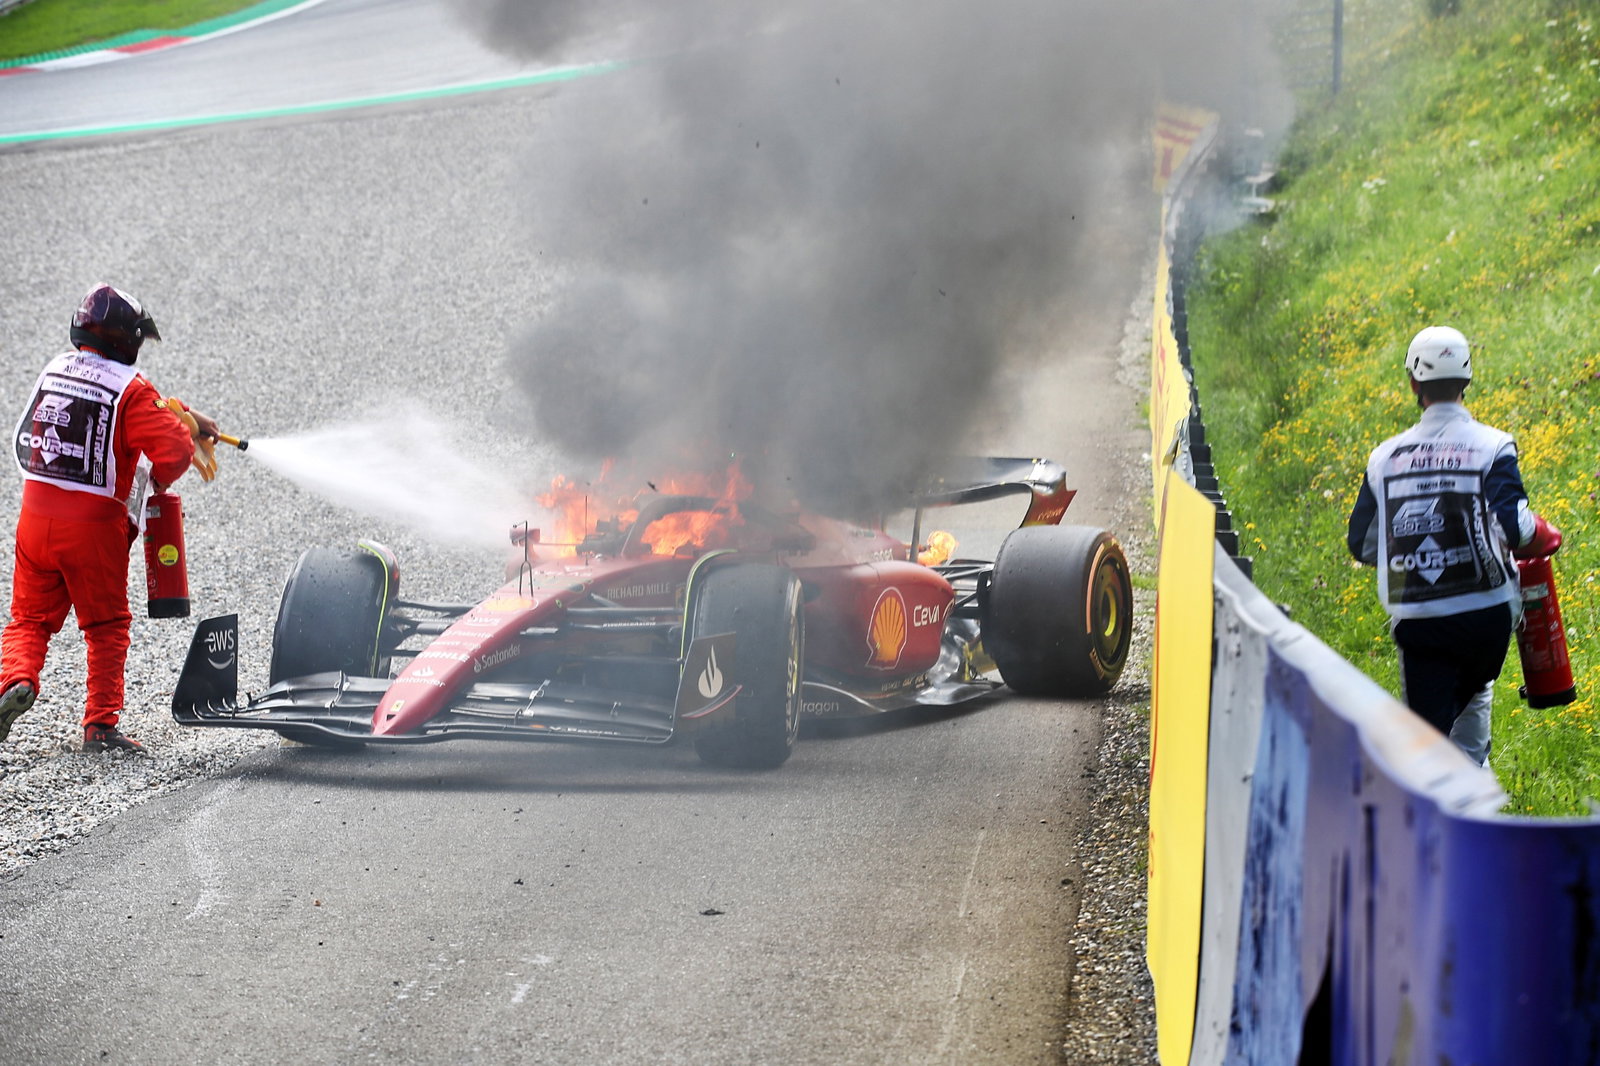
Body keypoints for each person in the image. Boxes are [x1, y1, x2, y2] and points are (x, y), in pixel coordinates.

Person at [0, 285, 219, 754]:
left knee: (30, 618)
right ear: (128, 341)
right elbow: (176, 451)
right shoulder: (133, 390)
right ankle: (100, 726)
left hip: (36, 519)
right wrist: (157, 481)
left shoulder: (57, 369)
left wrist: (180, 413)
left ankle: (15, 680)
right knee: (106, 625)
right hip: (92, 529)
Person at [1346, 326, 1559, 765]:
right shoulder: (1493, 445)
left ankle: (1448, 810)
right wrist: (1540, 530)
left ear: (1412, 384)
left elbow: (1361, 545)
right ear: (1467, 380)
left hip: (1422, 625)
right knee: (1473, 705)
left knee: (1425, 751)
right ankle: (1476, 779)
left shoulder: (1384, 457)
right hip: (1488, 624)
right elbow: (1516, 529)